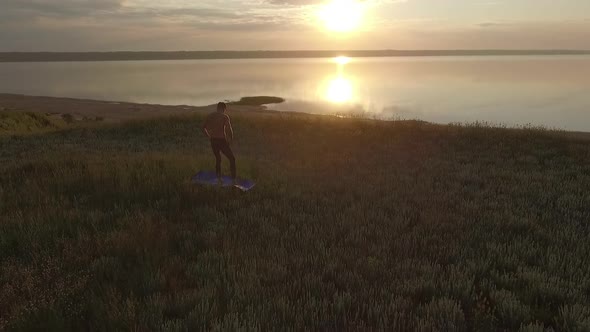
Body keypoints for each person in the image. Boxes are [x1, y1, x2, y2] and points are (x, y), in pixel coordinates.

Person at [202, 102, 236, 183]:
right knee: (232, 159)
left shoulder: (210, 116)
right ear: (224, 109)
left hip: (213, 140)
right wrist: (231, 139)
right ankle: (233, 179)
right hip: (221, 140)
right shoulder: (225, 117)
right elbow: (229, 129)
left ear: (217, 108)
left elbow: (203, 128)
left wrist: (209, 136)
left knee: (218, 159)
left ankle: (218, 177)